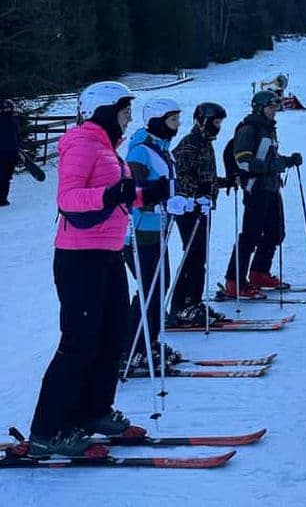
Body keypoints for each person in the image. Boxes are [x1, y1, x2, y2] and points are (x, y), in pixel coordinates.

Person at [28, 81, 170, 457]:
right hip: (79, 257)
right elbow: (69, 198)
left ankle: (94, 412)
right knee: (79, 342)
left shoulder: (109, 149)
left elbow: (116, 194)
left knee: (112, 335)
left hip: (108, 253)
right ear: (105, 111)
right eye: (123, 111)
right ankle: (48, 431)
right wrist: (113, 194)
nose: (127, 118)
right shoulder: (82, 144)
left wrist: (143, 194)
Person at [122, 98, 185, 368]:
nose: (177, 126)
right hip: (138, 231)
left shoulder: (163, 150)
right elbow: (131, 193)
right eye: (173, 120)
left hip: (157, 228)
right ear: (158, 120)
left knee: (159, 286)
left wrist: (182, 201)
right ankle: (134, 348)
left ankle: (149, 341)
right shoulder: (140, 152)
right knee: (151, 288)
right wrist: (160, 202)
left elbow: (165, 186)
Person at [222, 90, 302, 296]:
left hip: (271, 187)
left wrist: (288, 160)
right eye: (271, 107)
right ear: (259, 108)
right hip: (256, 189)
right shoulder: (249, 129)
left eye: (276, 107)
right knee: (250, 236)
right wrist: (277, 164)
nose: (275, 111)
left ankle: (259, 272)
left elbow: (268, 157)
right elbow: (243, 160)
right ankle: (234, 281)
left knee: (276, 233)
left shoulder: (268, 129)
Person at [170, 102, 226, 320]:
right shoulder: (190, 144)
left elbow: (203, 176)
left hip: (202, 207)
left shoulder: (204, 143)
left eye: (219, 122)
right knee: (194, 255)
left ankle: (194, 301)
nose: (217, 126)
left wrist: (221, 183)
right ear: (201, 121)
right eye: (215, 122)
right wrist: (197, 193)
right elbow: (178, 176)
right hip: (189, 208)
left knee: (198, 255)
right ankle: (183, 305)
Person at [0, 99, 19, 206]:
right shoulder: (14, 122)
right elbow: (16, 137)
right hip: (11, 153)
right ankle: (2, 199)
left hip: (3, 153)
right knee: (6, 177)